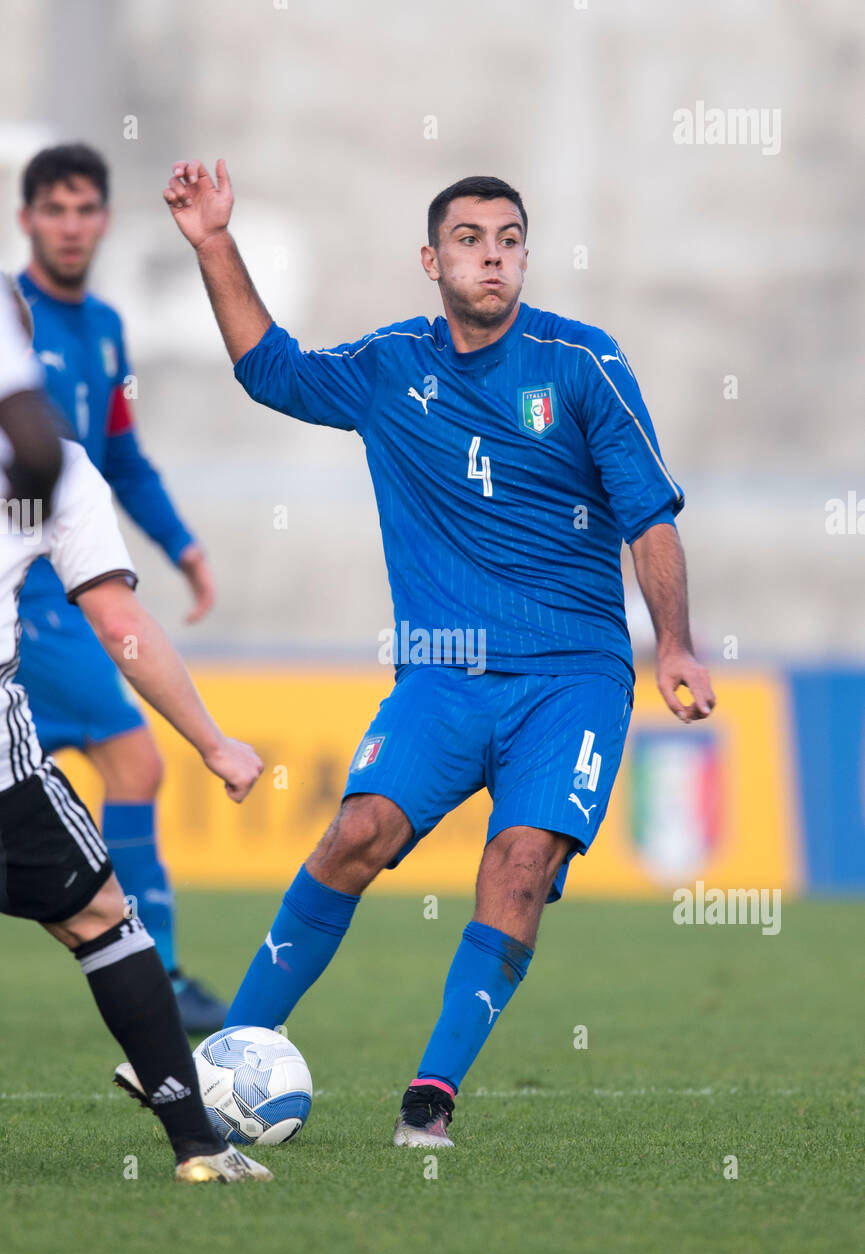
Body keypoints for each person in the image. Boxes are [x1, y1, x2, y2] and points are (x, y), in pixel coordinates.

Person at [159, 161, 715, 1148]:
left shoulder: (583, 362)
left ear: (524, 257)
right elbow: (268, 368)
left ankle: (431, 1095)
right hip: (441, 672)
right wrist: (212, 244)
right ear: (431, 259)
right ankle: (230, 1052)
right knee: (357, 831)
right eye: (469, 238)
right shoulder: (388, 367)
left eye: (507, 239)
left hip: (573, 675)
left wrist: (672, 641)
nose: (491, 254)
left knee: (517, 860)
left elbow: (648, 513)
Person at [0, 275, 271, 1182]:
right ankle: (199, 1146)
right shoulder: (57, 465)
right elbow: (120, 626)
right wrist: (214, 741)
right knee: (102, 919)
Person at [15, 143, 226, 1031]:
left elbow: (123, 457)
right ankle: (160, 972)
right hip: (32, 598)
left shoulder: (103, 326)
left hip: (72, 591)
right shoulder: (10, 315)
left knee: (123, 769)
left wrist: (182, 546)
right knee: (136, 761)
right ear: (27, 217)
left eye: (85, 209)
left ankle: (159, 968)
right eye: (54, 209)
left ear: (104, 218)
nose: (71, 225)